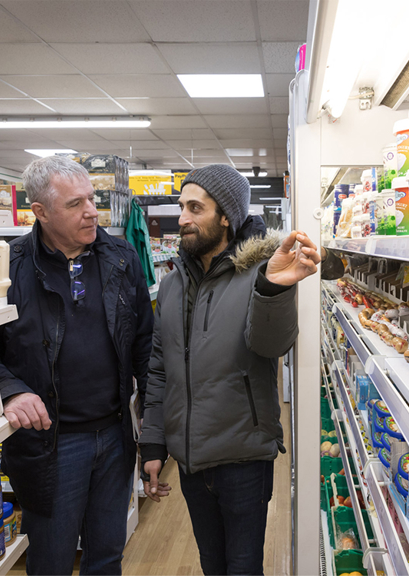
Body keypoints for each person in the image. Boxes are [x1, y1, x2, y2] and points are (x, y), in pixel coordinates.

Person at [0, 156, 154, 575]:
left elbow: (145, 346)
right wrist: (12, 390)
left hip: (115, 437)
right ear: (40, 212)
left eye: (91, 199)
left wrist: (153, 434)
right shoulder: (6, 270)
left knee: (107, 556)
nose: (90, 211)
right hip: (50, 445)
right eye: (73, 204)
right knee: (51, 560)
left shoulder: (121, 258)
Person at [138, 164, 320, 575]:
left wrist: (274, 289)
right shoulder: (171, 285)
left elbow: (272, 346)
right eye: (181, 206)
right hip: (189, 459)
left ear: (226, 216)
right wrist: (153, 442)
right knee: (211, 565)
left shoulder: (262, 273)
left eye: (195, 208)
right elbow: (158, 369)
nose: (182, 217)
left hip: (242, 458)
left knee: (242, 568)